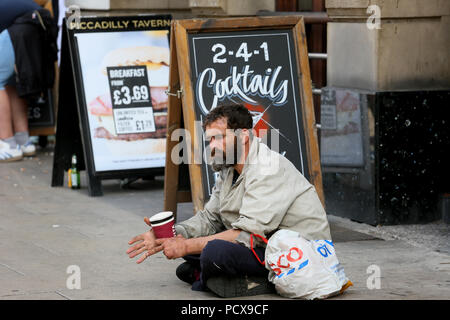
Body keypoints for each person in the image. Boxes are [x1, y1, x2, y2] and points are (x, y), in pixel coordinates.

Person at [127, 104, 332, 298]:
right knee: (195, 255)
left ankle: (251, 281)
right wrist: (170, 235)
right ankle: (216, 276)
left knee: (215, 252)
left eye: (220, 138)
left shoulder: (268, 167)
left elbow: (249, 234)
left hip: (300, 254)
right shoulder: (228, 167)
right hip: (264, 246)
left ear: (243, 135)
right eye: (210, 140)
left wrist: (186, 246)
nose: (213, 146)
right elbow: (209, 219)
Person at [0, 0, 43, 162]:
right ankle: (22, 140)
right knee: (9, 81)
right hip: (36, 27)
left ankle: (7, 144)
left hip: (22, 27)